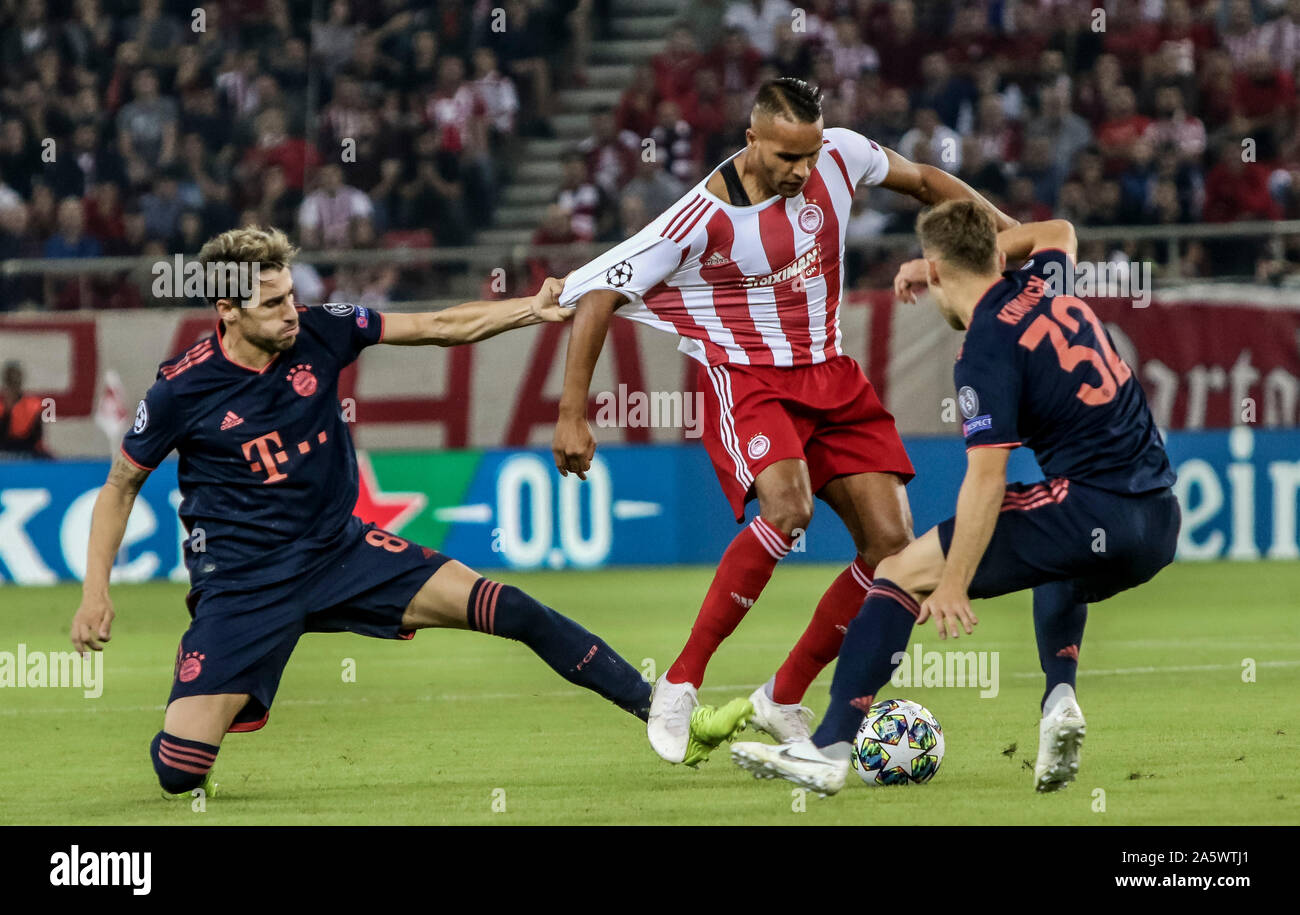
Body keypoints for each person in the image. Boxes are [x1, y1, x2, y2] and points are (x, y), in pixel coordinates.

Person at [68, 226, 747, 800]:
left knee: (510, 607)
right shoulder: (181, 388)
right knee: (178, 771)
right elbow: (121, 485)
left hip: (341, 552)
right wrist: (95, 591)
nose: (290, 313)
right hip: (243, 584)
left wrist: (527, 309)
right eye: (272, 303)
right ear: (227, 309)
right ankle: (210, 689)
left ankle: (657, 708)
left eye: (291, 296)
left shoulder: (323, 332)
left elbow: (437, 326)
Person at [552, 78, 1015, 765]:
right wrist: (572, 415)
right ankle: (680, 681)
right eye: (785, 158)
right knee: (788, 507)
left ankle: (783, 696)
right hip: (749, 379)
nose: (801, 170)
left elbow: (921, 181)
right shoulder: (700, 216)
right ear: (752, 140)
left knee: (891, 548)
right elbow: (595, 299)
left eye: (809, 154)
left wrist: (1005, 233)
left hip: (830, 373)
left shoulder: (842, 154)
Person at [730, 205, 1180, 795]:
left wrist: (951, 581)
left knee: (895, 573)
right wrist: (944, 259)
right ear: (998, 257)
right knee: (1062, 556)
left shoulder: (984, 350)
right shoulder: (1042, 281)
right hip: (1158, 520)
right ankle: (1059, 698)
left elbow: (987, 480)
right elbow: (1058, 232)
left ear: (937, 273)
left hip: (1094, 506)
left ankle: (830, 748)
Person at [0, 361, 49, 456]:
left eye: (16, 380)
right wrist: (7, 411)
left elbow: (36, 438)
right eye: (10, 380)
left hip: (27, 449)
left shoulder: (34, 405)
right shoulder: (2, 407)